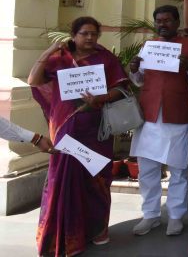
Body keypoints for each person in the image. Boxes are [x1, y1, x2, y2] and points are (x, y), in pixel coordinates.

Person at [28, 17, 128, 256]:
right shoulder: (59, 59)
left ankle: (97, 230)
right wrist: (50, 50)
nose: (90, 38)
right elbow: (34, 80)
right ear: (73, 35)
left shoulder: (105, 58)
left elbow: (121, 89)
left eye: (94, 33)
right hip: (65, 128)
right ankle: (64, 235)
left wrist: (101, 98)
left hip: (96, 129)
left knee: (97, 177)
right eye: (84, 33)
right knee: (64, 179)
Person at [128, 6, 188, 237]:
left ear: (177, 22)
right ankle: (150, 215)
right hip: (149, 114)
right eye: (158, 21)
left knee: (178, 169)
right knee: (147, 169)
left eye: (167, 20)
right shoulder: (148, 46)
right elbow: (140, 80)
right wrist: (133, 70)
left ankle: (176, 216)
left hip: (177, 114)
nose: (162, 24)